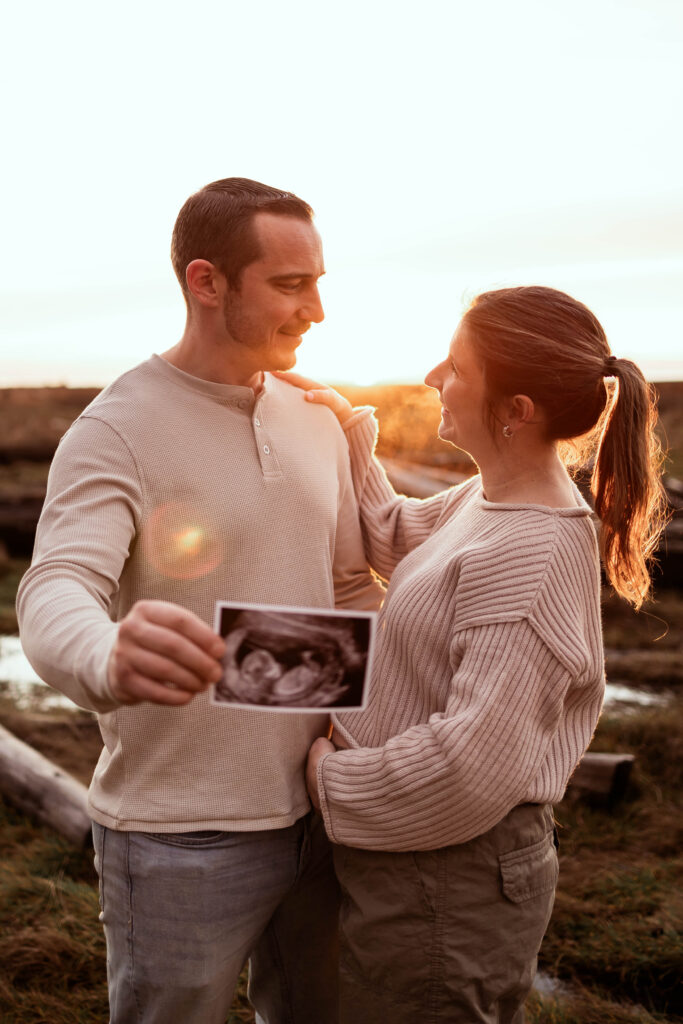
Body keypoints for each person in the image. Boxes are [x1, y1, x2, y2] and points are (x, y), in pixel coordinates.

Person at [16, 177, 383, 1024]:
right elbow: (57, 587)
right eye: (291, 284)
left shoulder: (313, 417)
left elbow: (339, 588)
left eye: (318, 281)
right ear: (206, 281)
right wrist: (104, 653)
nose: (317, 309)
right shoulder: (117, 428)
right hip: (179, 834)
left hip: (327, 812)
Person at [282, 285, 667, 1023]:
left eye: (455, 368)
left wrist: (331, 779)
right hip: (420, 859)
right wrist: (347, 431)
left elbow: (468, 769)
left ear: (515, 411)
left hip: (445, 881)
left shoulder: (529, 550)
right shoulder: (486, 501)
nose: (432, 377)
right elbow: (392, 534)